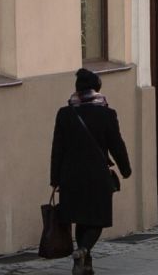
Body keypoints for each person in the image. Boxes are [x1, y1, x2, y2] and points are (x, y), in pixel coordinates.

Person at [50, 68, 132, 275]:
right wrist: (125, 169)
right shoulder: (106, 114)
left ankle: (86, 264)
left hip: (70, 176)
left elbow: (57, 148)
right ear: (97, 88)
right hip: (97, 176)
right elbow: (117, 145)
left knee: (80, 217)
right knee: (97, 218)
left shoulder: (65, 114)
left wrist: (55, 178)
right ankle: (83, 250)